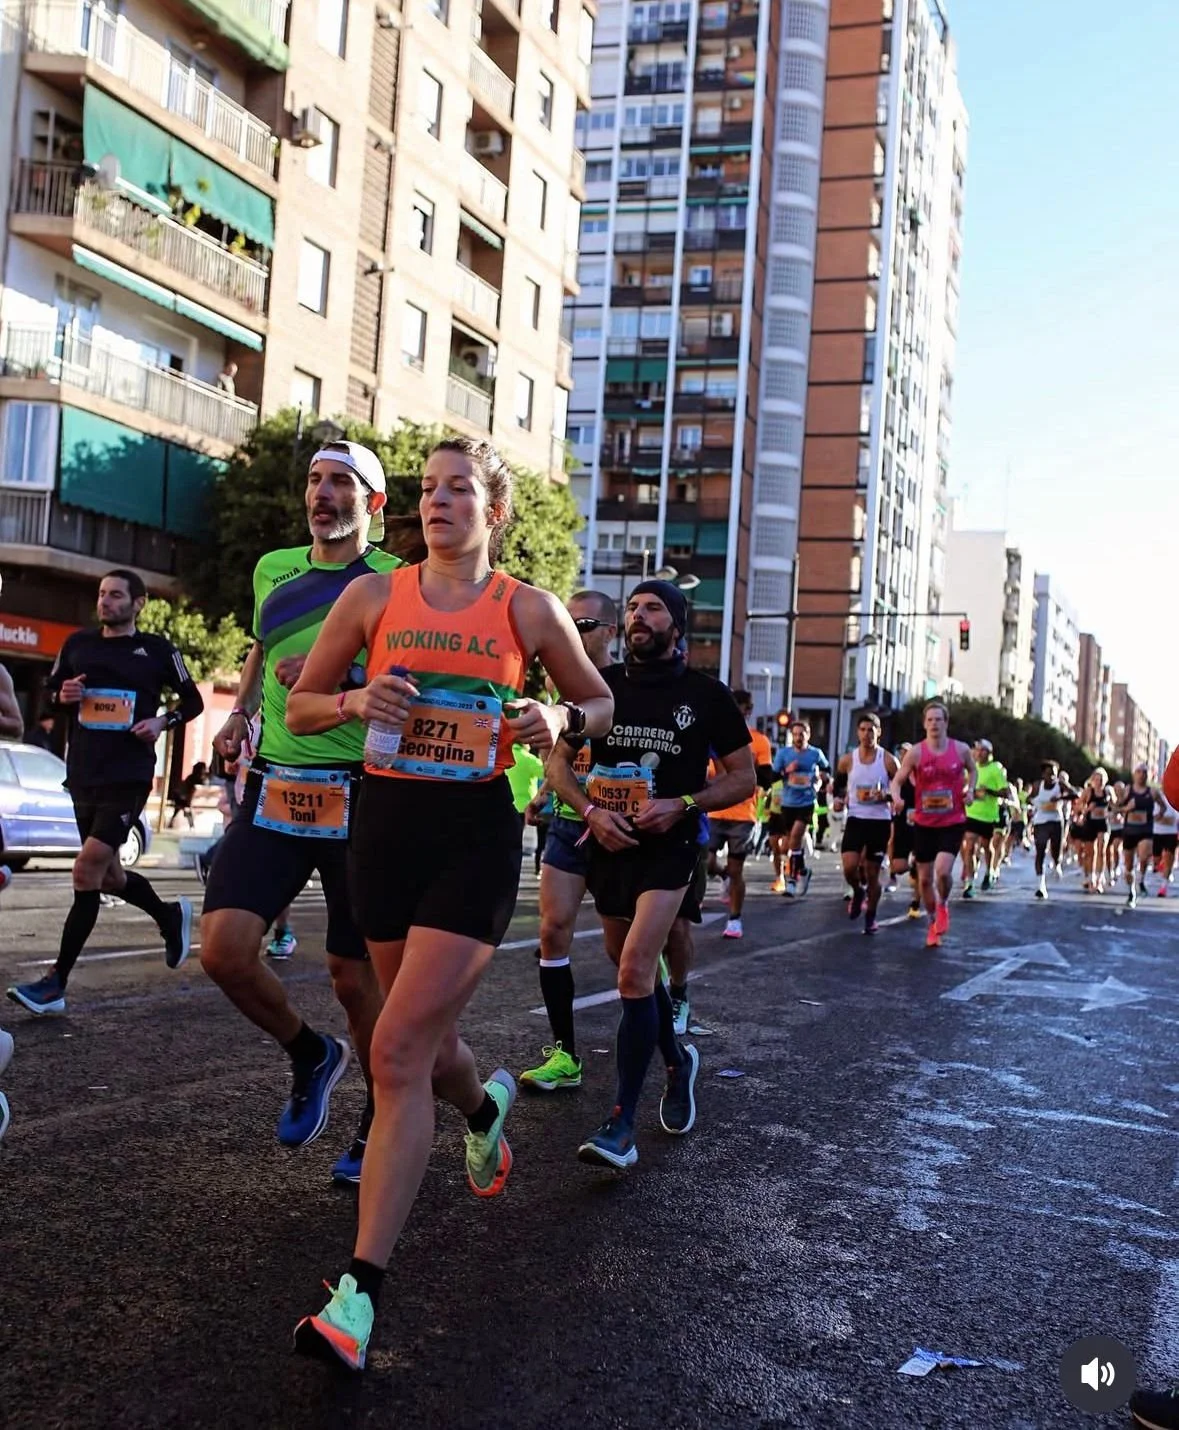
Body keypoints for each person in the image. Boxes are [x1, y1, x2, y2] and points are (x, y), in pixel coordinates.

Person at [285, 435, 613, 1371]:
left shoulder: (527, 608)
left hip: (473, 841)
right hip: (385, 835)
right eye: (428, 489)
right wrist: (355, 705)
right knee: (424, 1050)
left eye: (457, 489)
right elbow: (302, 707)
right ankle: (480, 1109)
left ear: (492, 511)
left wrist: (558, 717)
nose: (436, 502)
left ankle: (357, 1298)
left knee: (393, 1051)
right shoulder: (372, 597)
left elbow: (597, 704)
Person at [199, 441, 398, 1183]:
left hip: (363, 789)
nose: (322, 493)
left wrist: (339, 674)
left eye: (340, 481)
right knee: (222, 950)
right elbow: (261, 649)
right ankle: (310, 1053)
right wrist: (240, 712)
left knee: (353, 976)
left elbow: (413, 678)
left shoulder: (395, 582)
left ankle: (378, 1121)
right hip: (277, 784)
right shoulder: (273, 568)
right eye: (315, 480)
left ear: (372, 502)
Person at [546, 578, 753, 1172]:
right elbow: (559, 767)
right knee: (628, 966)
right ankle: (678, 1062)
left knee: (636, 970)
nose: (640, 616)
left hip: (671, 847)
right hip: (609, 844)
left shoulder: (706, 695)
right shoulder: (599, 687)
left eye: (654, 608)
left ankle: (621, 1124)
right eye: (634, 607)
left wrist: (683, 803)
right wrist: (591, 812)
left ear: (678, 625)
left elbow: (742, 779)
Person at [7, 570, 201, 1016]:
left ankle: (55, 982)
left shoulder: (158, 650)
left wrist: (162, 721)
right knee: (109, 877)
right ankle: (169, 915)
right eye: (101, 594)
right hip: (83, 774)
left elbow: (193, 701)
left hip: (129, 776)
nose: (105, 602)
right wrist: (64, 695)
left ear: (138, 603)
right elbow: (51, 693)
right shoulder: (77, 645)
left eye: (115, 595)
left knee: (86, 869)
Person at [519, 592, 619, 1093]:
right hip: (567, 822)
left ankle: (669, 1046)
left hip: (619, 831)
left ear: (611, 632)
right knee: (553, 930)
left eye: (585, 624)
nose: (575, 633)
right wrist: (543, 793)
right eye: (568, 623)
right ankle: (565, 1055)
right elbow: (559, 756)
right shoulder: (559, 685)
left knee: (627, 951)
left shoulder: (623, 685)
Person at [889, 701, 975, 949]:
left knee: (942, 871)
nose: (934, 723)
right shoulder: (916, 753)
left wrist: (970, 789)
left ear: (946, 723)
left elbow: (972, 770)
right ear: (924, 724)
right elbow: (897, 781)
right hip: (924, 823)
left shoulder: (960, 750)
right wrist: (896, 798)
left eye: (939, 719)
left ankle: (943, 903)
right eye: (930, 719)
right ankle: (932, 922)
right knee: (925, 880)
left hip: (952, 821)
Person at [706, 690, 773, 939]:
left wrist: (745, 769)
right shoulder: (712, 736)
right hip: (714, 809)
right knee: (705, 861)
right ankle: (722, 875)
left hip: (743, 814)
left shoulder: (759, 741)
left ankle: (734, 919)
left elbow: (766, 779)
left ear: (748, 710)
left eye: (739, 707)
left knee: (736, 870)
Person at [832, 713, 898, 935]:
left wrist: (886, 796)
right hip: (856, 818)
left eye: (871, 730)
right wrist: (838, 800)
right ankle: (858, 891)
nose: (867, 734)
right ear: (857, 732)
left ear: (879, 732)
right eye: (863, 730)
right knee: (849, 867)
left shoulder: (888, 760)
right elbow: (839, 785)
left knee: (872, 873)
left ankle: (871, 915)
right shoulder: (847, 760)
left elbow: (901, 790)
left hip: (879, 821)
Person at [772, 720, 829, 895]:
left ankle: (791, 881)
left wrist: (820, 781)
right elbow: (773, 777)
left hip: (806, 802)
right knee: (789, 844)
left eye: (801, 734)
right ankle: (803, 871)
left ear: (808, 735)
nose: (798, 738)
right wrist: (787, 771)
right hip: (787, 803)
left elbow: (827, 771)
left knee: (796, 837)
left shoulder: (815, 753)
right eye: (795, 734)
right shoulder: (783, 754)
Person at [960, 739, 1007, 897]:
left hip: (987, 816)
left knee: (987, 846)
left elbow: (1004, 792)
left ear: (989, 753)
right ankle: (970, 883)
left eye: (983, 750)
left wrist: (988, 791)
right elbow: (964, 786)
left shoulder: (995, 769)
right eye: (977, 750)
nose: (979, 753)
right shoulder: (971, 768)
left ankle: (989, 871)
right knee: (970, 846)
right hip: (971, 813)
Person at [1027, 761, 1078, 900]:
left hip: (1056, 820)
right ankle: (1041, 885)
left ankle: (1057, 863)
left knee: (1056, 849)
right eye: (1049, 774)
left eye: (1054, 774)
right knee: (1040, 850)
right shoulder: (1038, 785)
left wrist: (1060, 798)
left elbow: (1075, 794)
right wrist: (1036, 803)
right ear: (1043, 774)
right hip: (1041, 821)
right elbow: (1028, 799)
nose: (1052, 777)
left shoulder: (1060, 785)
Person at [1115, 764, 1165, 908]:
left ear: (1147, 775)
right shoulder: (1128, 790)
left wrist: (1158, 816)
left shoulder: (1153, 792)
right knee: (1128, 866)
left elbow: (1163, 806)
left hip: (1145, 830)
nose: (1141, 775)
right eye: (1138, 772)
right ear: (1134, 774)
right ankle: (1132, 892)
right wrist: (1126, 807)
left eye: (1144, 772)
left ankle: (1141, 879)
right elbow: (1117, 808)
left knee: (1144, 856)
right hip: (1130, 830)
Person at [887, 742, 921, 917]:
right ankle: (897, 872)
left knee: (920, 865)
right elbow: (893, 790)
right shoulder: (901, 775)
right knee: (900, 866)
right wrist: (892, 798)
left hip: (923, 825)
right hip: (903, 822)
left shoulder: (924, 775)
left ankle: (916, 902)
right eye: (902, 753)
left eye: (908, 753)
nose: (905, 756)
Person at [1076, 768, 1111, 893]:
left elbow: (1116, 805)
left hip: (1103, 823)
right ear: (1092, 780)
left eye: (1101, 779)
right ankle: (1091, 878)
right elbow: (1078, 806)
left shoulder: (1107, 791)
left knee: (1102, 850)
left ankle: (1099, 879)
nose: (1099, 782)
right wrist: (1087, 809)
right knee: (1090, 853)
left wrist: (1113, 810)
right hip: (1090, 823)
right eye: (1096, 779)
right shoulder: (1088, 792)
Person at [168, 760, 208, 828]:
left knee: (183, 807)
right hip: (188, 800)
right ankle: (191, 825)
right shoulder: (200, 780)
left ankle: (189, 825)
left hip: (185, 799)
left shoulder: (191, 778)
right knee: (185, 807)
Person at [1153, 789, 1177, 896]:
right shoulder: (1157, 799)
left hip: (1171, 834)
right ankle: (1163, 870)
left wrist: (1159, 819)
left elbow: (1173, 820)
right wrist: (1162, 819)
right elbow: (1152, 817)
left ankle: (1163, 886)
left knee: (1168, 858)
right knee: (1156, 860)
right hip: (1156, 833)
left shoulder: (1175, 799)